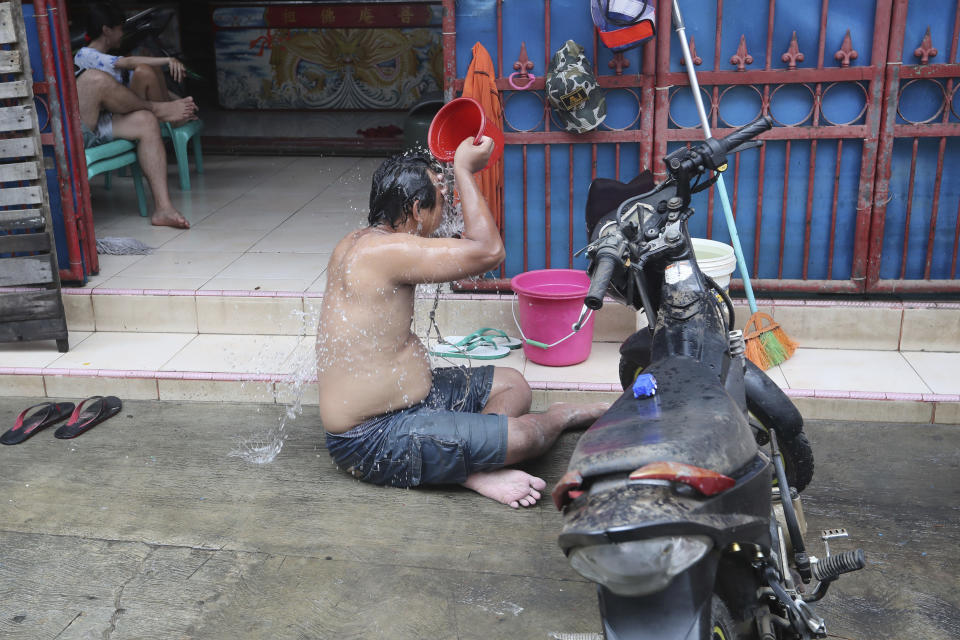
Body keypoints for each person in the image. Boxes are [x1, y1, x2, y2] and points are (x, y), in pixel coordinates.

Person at [316, 138, 609, 508]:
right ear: (417, 209)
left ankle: (472, 456)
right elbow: (489, 250)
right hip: (371, 436)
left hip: (409, 405)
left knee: (512, 384)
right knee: (526, 437)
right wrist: (464, 171)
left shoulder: (361, 242)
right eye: (443, 199)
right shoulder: (387, 251)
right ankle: (558, 417)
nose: (450, 208)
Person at [74, 1, 197, 229]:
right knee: (97, 80)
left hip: (100, 123)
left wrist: (174, 101)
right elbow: (128, 63)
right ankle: (156, 109)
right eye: (120, 28)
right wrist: (167, 61)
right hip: (79, 128)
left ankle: (163, 209)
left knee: (146, 122)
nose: (123, 33)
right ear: (106, 30)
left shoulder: (108, 60)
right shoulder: (86, 55)